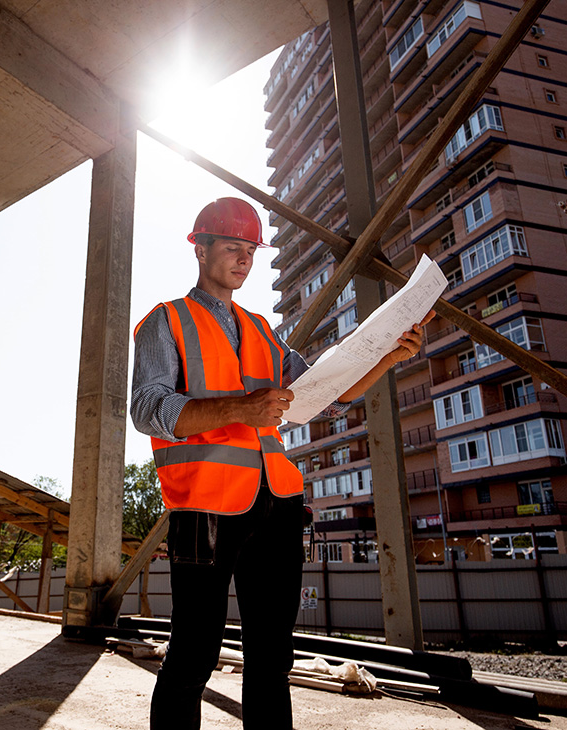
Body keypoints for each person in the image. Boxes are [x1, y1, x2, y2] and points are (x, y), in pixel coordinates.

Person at [130, 197, 432, 729]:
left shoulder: (264, 331)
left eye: (250, 251)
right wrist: (243, 408)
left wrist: (388, 356)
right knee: (195, 651)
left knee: (273, 654)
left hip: (277, 504)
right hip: (205, 507)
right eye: (232, 248)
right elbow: (149, 409)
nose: (244, 260)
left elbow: (323, 392)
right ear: (200, 250)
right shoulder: (166, 322)